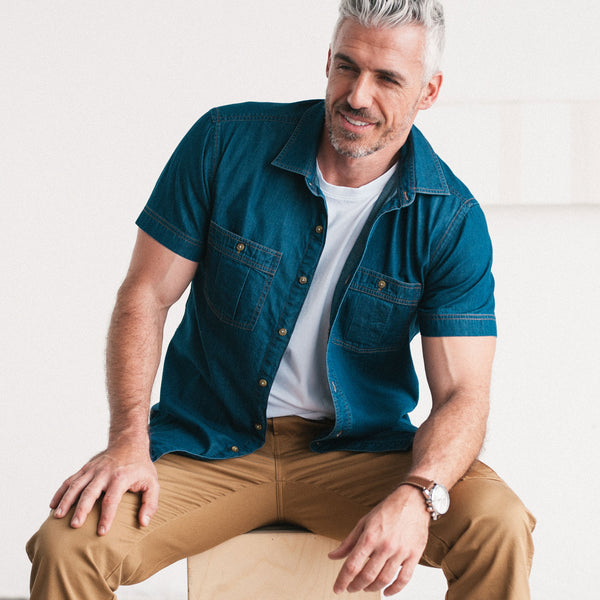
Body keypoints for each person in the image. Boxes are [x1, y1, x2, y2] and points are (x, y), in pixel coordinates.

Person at [26, 0, 536, 598]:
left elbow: (464, 395)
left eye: (388, 79)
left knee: (497, 524)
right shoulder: (225, 143)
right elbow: (146, 295)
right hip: (209, 444)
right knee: (68, 547)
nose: (358, 96)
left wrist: (419, 492)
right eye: (347, 67)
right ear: (327, 60)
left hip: (359, 456)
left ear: (429, 92)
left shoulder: (450, 219)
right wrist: (128, 441)